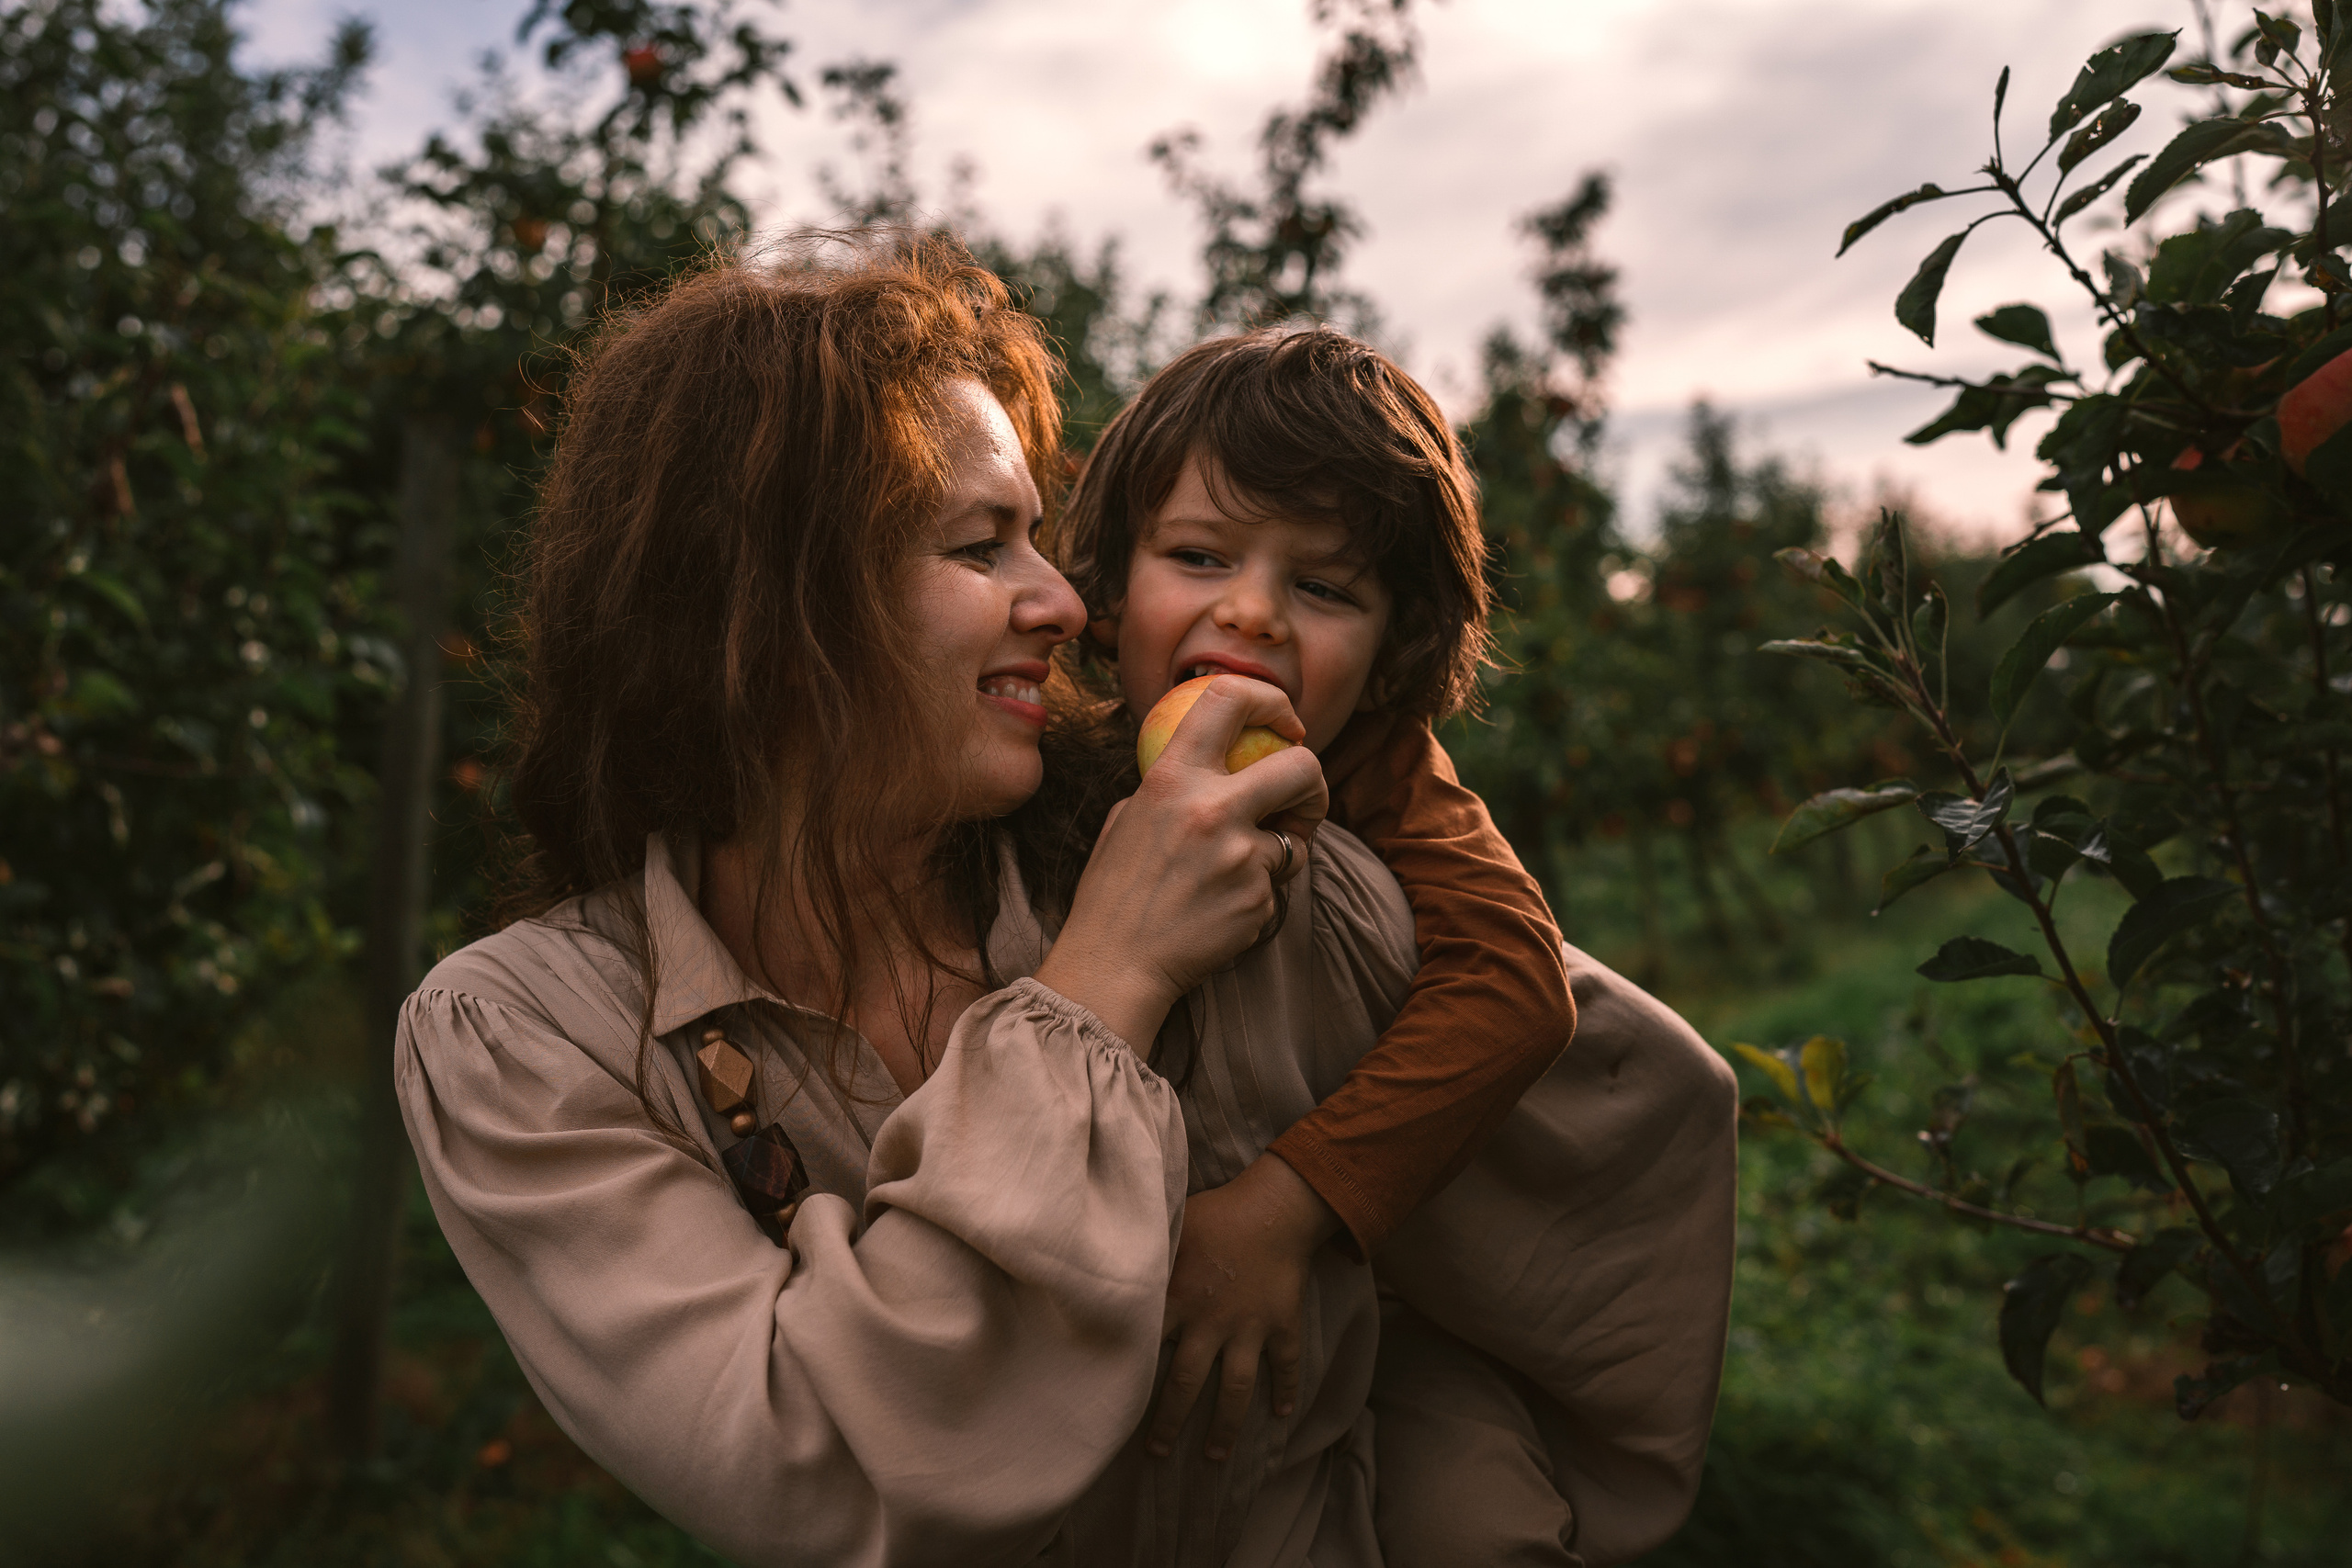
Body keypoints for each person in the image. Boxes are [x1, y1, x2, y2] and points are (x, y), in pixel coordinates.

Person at [394, 237, 1446, 1566]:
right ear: (766, 606)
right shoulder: (534, 1043)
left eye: (1040, 541)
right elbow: (825, 1473)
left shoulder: (1241, 866)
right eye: (979, 546)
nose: (1065, 601)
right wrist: (1107, 980)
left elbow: (1561, 1232)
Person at [1047, 326, 1739, 1566]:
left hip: (1399, 1289)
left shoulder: (1378, 767)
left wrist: (1282, 1211)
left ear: (1393, 648)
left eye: (1325, 589)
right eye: (1198, 556)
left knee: (1485, 1526)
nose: (1251, 611)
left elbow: (1518, 985)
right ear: (1108, 584)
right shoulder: (1048, 759)